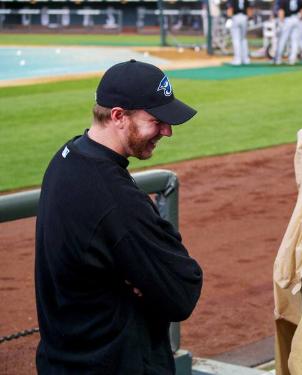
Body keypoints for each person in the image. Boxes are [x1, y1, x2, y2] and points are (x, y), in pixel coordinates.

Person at [35, 60, 203, 374]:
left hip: (63, 359)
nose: (167, 131)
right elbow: (182, 290)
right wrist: (146, 276)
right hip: (114, 362)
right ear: (118, 116)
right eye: (157, 120)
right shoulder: (115, 198)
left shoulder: (66, 158)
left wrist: (139, 276)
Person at [274, 0, 302, 65]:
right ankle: (292, 59)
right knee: (294, 41)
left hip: (288, 19)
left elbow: (281, 10)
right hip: (296, 19)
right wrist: (300, 14)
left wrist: (281, 22)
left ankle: (278, 59)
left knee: (283, 40)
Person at [227, 0, 253, 65]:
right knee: (243, 39)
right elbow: (249, 9)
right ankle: (245, 59)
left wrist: (229, 18)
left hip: (236, 17)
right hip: (244, 17)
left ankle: (238, 59)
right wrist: (250, 19)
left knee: (236, 39)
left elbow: (230, 8)